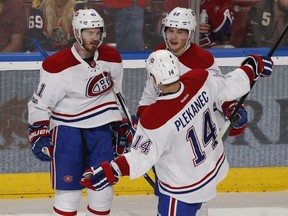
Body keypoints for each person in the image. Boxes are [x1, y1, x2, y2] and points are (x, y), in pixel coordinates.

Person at [80, 49, 273, 216]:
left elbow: (139, 159)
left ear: (154, 79)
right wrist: (251, 67)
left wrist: (111, 170)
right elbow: (231, 85)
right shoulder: (200, 79)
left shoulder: (154, 118)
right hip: (211, 171)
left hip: (182, 190)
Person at [27, 9, 124, 215]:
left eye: (98, 32)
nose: (95, 37)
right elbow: (38, 105)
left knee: (103, 192)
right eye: (90, 33)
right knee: (68, 196)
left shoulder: (112, 58)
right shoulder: (56, 66)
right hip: (68, 132)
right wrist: (39, 132)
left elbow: (117, 95)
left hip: (101, 131)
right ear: (77, 32)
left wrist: (122, 123)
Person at [154, 0, 234, 48]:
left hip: (211, 47)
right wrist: (189, 27)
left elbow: (222, 29)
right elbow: (161, 29)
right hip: (181, 48)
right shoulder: (178, 1)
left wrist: (210, 6)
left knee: (229, 49)